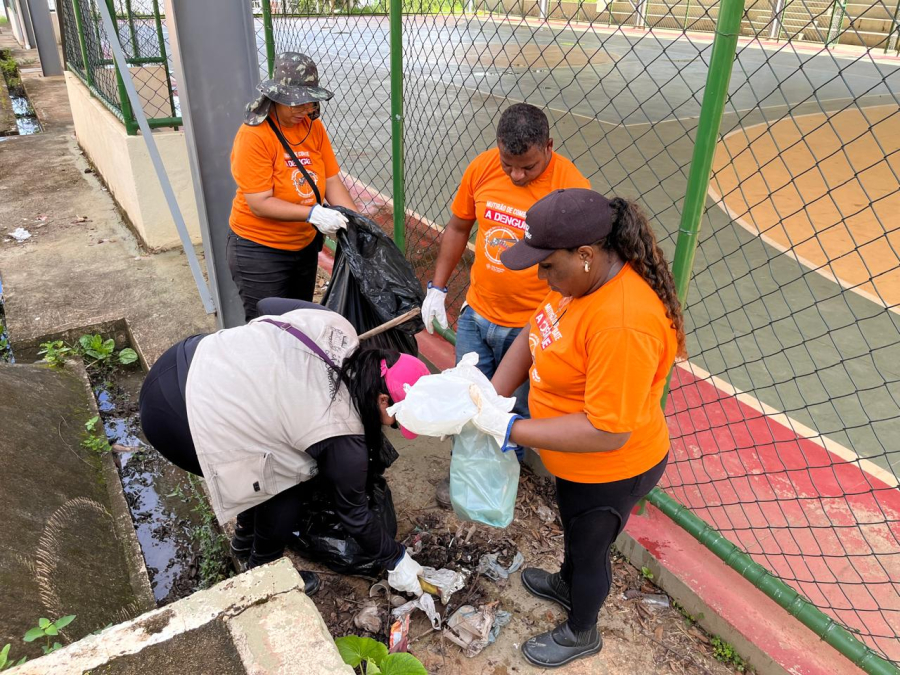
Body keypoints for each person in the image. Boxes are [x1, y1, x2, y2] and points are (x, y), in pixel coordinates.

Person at [469, 188, 686, 667]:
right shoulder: (577, 284)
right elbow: (535, 330)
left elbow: (608, 431)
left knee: (590, 548)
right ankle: (566, 583)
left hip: (610, 466)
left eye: (547, 266)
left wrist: (511, 429)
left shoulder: (622, 323)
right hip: (576, 461)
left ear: (585, 255)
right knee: (574, 528)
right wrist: (494, 393)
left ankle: (581, 629)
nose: (541, 276)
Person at [138, 298, 430, 598]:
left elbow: (266, 305)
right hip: (179, 420)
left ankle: (243, 540)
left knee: (267, 448)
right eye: (397, 422)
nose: (392, 428)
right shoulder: (342, 433)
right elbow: (353, 514)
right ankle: (263, 573)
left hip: (187, 359)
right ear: (383, 400)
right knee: (288, 483)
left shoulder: (337, 325)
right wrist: (396, 559)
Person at [421, 103, 590, 502]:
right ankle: (465, 475)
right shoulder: (482, 168)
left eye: (527, 167)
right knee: (469, 398)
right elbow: (460, 225)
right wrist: (438, 287)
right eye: (508, 163)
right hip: (477, 314)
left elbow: (583, 266)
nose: (515, 175)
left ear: (549, 146)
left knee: (517, 413)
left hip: (530, 325)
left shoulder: (571, 189)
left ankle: (498, 483)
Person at [228, 52, 359, 322]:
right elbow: (259, 202)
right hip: (260, 250)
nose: (305, 110)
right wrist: (312, 213)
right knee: (268, 327)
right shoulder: (254, 135)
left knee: (299, 322)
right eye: (296, 104)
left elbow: (332, 180)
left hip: (304, 246)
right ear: (277, 97)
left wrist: (356, 222)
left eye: (309, 103)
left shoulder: (314, 128)